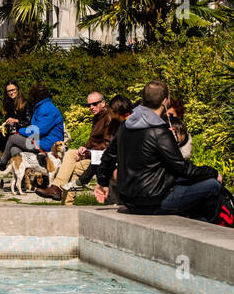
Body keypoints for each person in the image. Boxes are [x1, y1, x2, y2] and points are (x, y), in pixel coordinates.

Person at [96, 80, 222, 222]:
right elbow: (183, 168)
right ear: (165, 101)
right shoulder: (160, 132)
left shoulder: (126, 125)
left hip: (129, 200)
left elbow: (109, 156)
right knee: (212, 186)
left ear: (143, 99)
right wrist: (213, 173)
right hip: (153, 202)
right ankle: (203, 227)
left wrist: (103, 182)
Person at [36, 90, 113, 202]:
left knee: (71, 154)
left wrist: (87, 153)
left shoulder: (109, 118)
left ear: (103, 103)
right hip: (94, 156)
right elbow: (93, 139)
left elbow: (108, 145)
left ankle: (56, 188)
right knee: (72, 167)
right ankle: (65, 204)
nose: (91, 107)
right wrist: (84, 147)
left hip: (102, 159)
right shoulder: (98, 116)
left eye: (94, 104)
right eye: (89, 105)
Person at [0, 82, 64, 165]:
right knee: (14, 149)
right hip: (40, 140)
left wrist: (20, 131)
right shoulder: (40, 107)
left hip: (48, 144)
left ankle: (1, 164)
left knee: (13, 138)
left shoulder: (47, 109)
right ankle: (22, 174)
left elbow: (38, 131)